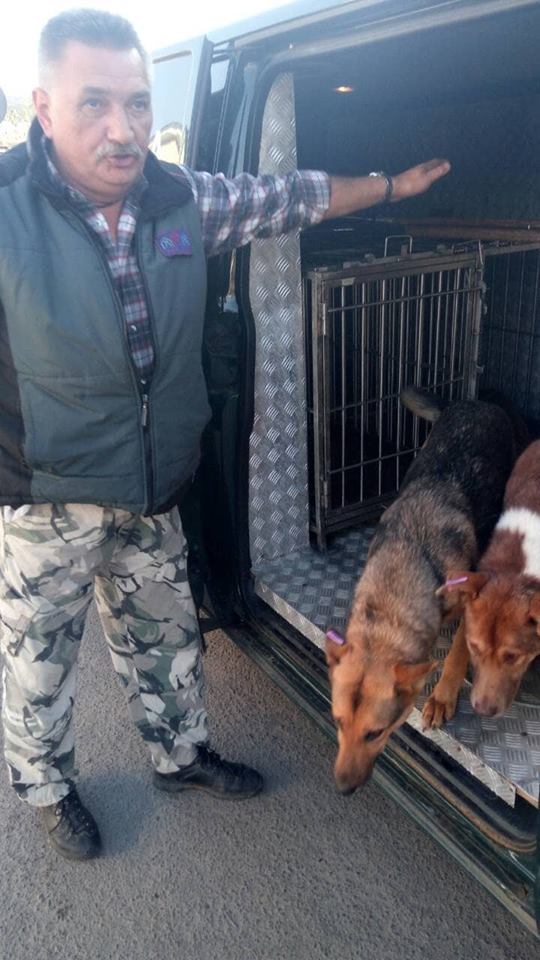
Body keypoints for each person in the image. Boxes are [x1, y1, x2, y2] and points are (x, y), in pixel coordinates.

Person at [0, 8, 450, 861]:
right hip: (49, 499)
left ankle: (180, 757)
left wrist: (389, 188)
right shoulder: (6, 210)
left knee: (167, 642)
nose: (123, 128)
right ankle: (48, 790)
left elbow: (290, 198)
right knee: (38, 665)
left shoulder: (180, 199)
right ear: (44, 109)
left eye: (137, 103)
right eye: (94, 103)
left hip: (154, 490)